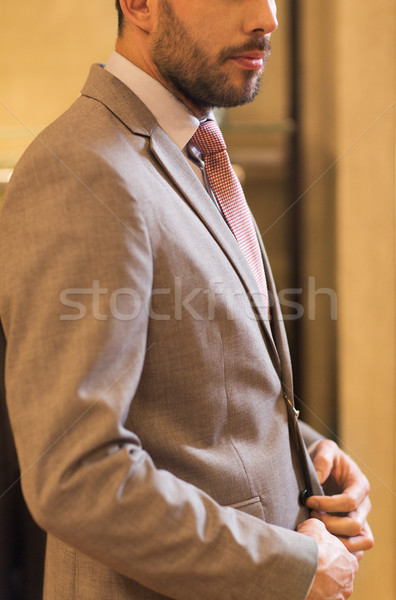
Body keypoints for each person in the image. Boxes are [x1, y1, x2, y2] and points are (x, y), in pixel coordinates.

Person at [0, 0, 373, 599]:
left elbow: (197, 391)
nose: (268, 18)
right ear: (141, 5)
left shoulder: (197, 146)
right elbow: (75, 475)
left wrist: (307, 454)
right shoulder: (80, 168)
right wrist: (293, 568)